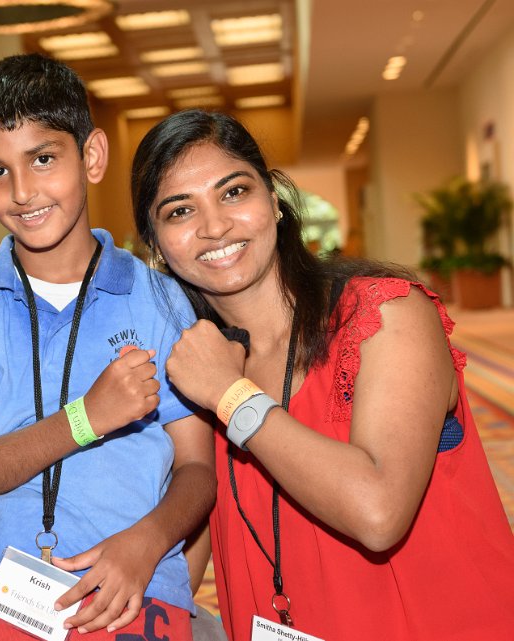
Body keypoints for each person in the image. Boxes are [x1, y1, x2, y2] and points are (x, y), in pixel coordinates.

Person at [131, 108, 514, 640]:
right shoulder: (191, 367)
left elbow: (378, 513)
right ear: (156, 244)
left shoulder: (386, 315)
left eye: (234, 192)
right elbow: (191, 551)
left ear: (275, 201)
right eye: (178, 211)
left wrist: (231, 395)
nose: (214, 225)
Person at [0, 54, 217, 641]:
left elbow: (197, 470)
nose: (22, 191)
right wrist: (87, 419)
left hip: (131, 580)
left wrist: (148, 542)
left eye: (42, 159)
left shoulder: (159, 298)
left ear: (90, 156)